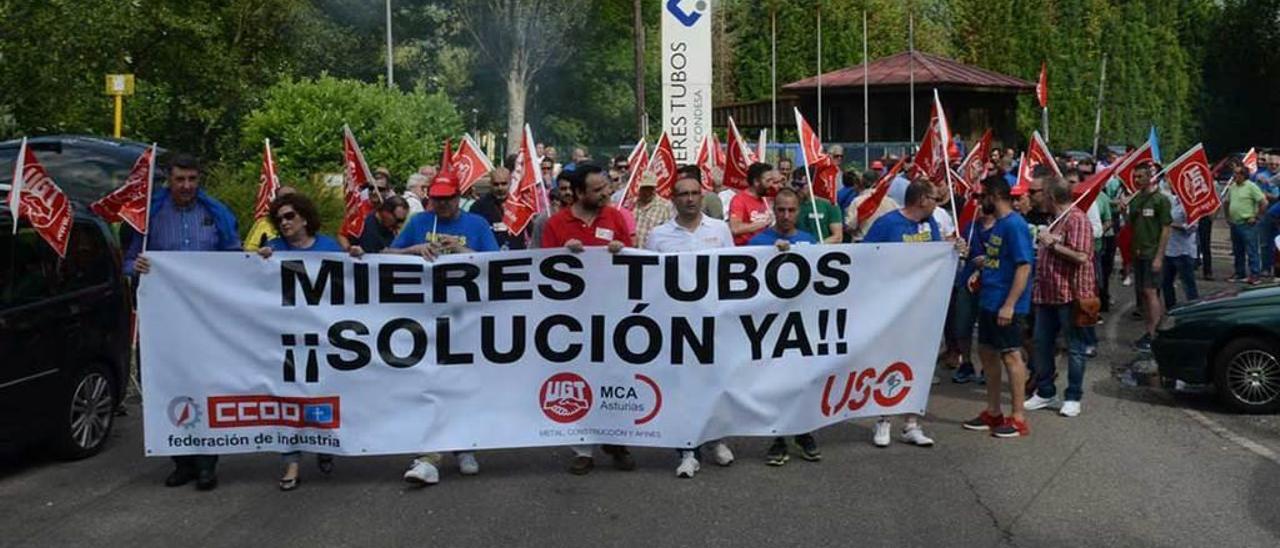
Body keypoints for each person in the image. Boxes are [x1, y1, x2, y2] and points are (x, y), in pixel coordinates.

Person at [369, 173, 497, 485]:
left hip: (466, 317)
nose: (442, 204)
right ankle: (429, 454)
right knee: (430, 384)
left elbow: (500, 261)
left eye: (448, 198)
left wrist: (465, 253)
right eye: (437, 198)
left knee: (463, 383)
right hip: (425, 318)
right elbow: (386, 256)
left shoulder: (476, 225)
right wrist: (414, 251)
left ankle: (464, 446)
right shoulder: (417, 222)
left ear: (459, 196)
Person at [127, 153, 241, 491]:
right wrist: (135, 267)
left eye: (192, 179)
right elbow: (129, 258)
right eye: (180, 179)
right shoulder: (148, 217)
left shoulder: (215, 214)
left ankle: (207, 464)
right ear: (169, 180)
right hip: (162, 321)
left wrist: (255, 262)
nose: (187, 186)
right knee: (166, 384)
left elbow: (233, 257)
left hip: (206, 320)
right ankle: (182, 461)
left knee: (206, 385)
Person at [539, 163, 636, 475]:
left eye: (606, 187)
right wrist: (561, 255)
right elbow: (541, 270)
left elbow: (635, 263)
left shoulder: (615, 217)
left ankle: (617, 440)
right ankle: (583, 447)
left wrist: (623, 251)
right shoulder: (556, 224)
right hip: (573, 318)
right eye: (598, 190)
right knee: (578, 379)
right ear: (579, 193)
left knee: (615, 377)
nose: (606, 193)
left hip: (612, 314)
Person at [644, 176, 736, 477]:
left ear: (703, 195)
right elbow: (649, 280)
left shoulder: (720, 230)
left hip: (713, 320)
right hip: (676, 322)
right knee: (682, 387)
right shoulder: (658, 236)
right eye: (683, 194)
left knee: (714, 382)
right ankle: (687, 449)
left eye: (695, 193)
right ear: (673, 198)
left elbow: (734, 272)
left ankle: (714, 439)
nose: (690, 199)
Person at [255, 193, 346, 490]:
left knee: (323, 392)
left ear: (305, 218)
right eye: (279, 219)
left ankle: (324, 446)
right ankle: (291, 463)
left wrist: (357, 256)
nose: (284, 223)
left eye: (290, 216)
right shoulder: (273, 249)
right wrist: (259, 261)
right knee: (288, 397)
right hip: (286, 339)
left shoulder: (329, 247)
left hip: (323, 336)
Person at [860, 179, 946, 447]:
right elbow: (864, 257)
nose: (937, 202)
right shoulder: (887, 224)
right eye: (934, 197)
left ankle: (911, 423)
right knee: (888, 362)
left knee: (919, 364)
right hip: (892, 307)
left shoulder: (929, 224)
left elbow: (935, 255)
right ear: (921, 199)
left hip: (923, 307)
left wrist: (953, 250)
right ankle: (883, 420)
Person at [747, 188, 822, 466]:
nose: (786, 215)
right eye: (781, 210)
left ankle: (803, 433)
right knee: (775, 383)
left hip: (803, 325)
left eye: (791, 210)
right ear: (773, 210)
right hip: (770, 327)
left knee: (803, 381)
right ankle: (778, 439)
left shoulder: (810, 241)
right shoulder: (757, 241)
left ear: (798, 211)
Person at [962, 177, 1034, 439]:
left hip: (1005, 303)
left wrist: (1010, 304)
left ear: (994, 195)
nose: (980, 202)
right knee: (987, 352)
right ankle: (993, 411)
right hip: (989, 300)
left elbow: (1023, 266)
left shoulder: (1014, 225)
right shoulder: (1000, 226)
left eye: (983, 196)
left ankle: (1017, 418)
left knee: (1011, 356)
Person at [1024, 177, 1095, 418]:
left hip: (1070, 295)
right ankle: (1045, 391)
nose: (1038, 197)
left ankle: (1073, 396)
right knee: (1041, 343)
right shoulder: (1053, 220)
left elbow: (1082, 256)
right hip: (1046, 293)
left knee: (1074, 347)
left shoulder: (1077, 219)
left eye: (1042, 193)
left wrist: (1052, 244)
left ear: (1051, 197)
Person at [1123, 163, 1171, 351]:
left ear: (1151, 177)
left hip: (1152, 253)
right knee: (1143, 292)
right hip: (1138, 252)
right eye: (1135, 177)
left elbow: (1166, 229)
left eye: (1140, 177)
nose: (1136, 181)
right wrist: (1123, 209)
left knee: (1151, 292)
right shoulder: (1136, 199)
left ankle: (1155, 334)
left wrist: (1159, 256)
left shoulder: (1161, 200)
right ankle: (1149, 330)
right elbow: (1131, 225)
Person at [1225, 161, 1268, 284]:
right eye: (1234, 173)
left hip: (1248, 223)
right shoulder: (1233, 187)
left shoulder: (1251, 186)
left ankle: (1255, 274)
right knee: (1237, 250)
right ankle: (1240, 273)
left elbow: (1263, 202)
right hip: (1235, 223)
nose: (1235, 176)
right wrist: (1228, 216)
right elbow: (1227, 202)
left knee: (1252, 250)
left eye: (1237, 174)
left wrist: (1256, 216)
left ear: (1244, 175)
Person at [468, 167, 527, 251]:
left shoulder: (521, 205)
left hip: (518, 257)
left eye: (504, 184)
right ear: (490, 184)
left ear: (510, 183)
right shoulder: (478, 207)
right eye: (496, 184)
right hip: (489, 257)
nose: (500, 188)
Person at [1161, 190, 1200, 309]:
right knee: (1166, 283)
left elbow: (1192, 227)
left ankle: (1194, 309)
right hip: (1169, 249)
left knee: (1188, 284)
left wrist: (1171, 224)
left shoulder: (1190, 205)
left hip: (1183, 252)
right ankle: (1171, 308)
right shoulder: (1172, 201)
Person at [728, 162, 779, 246]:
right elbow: (735, 229)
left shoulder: (768, 198)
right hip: (747, 250)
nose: (771, 184)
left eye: (772, 180)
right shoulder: (739, 200)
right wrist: (764, 223)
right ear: (756, 182)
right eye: (768, 180)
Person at [794, 166, 844, 243]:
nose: (797, 188)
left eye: (801, 185)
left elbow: (837, 237)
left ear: (812, 184)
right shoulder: (789, 207)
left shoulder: (830, 205)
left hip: (821, 250)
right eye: (795, 184)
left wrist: (816, 246)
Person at [243, 186, 297, 251]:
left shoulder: (305, 221)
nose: (287, 202)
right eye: (283, 198)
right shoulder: (263, 223)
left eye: (292, 198)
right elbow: (248, 251)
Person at [632, 173, 674, 249]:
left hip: (652, 253)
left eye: (650, 188)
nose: (647, 192)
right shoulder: (632, 204)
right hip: (632, 253)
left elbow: (670, 233)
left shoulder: (665, 206)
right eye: (644, 188)